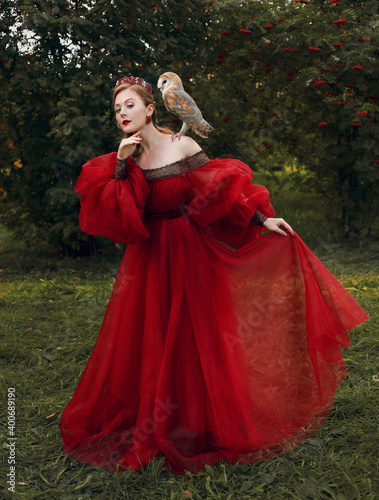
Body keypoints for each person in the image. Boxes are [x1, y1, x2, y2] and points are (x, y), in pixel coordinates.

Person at [60, 75, 370, 476]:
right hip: (149, 259)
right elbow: (120, 217)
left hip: (189, 252)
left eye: (130, 105)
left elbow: (219, 192)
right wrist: (121, 162)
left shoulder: (182, 145)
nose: (122, 113)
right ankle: (157, 420)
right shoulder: (128, 159)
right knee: (149, 336)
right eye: (117, 108)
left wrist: (261, 218)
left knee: (196, 334)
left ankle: (201, 420)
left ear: (151, 109)